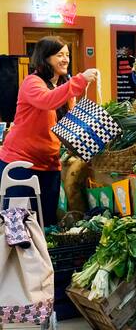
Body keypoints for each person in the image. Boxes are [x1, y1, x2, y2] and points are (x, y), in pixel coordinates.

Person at [0, 36, 97, 226]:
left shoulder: (62, 86)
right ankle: (13, 257)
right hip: (19, 163)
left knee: (46, 222)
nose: (65, 59)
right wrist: (79, 80)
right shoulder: (32, 82)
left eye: (67, 55)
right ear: (45, 58)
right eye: (59, 55)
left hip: (49, 165)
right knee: (16, 224)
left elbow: (68, 124)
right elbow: (47, 100)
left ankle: (45, 256)